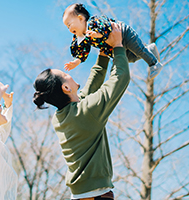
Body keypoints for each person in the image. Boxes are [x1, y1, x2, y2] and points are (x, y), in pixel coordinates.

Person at [33, 23, 128, 200]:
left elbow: (90, 87)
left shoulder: (63, 115)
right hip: (96, 195)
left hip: (83, 194)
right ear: (66, 87)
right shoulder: (85, 111)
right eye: (65, 73)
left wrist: (104, 54)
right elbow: (120, 78)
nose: (70, 74)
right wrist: (118, 47)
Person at [63, 3, 163, 80]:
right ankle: (149, 49)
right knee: (130, 58)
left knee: (138, 49)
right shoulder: (82, 38)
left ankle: (154, 64)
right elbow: (82, 51)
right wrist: (76, 61)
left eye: (69, 24)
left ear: (80, 18)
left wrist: (98, 34)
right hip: (116, 46)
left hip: (123, 33)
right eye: (67, 27)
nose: (69, 29)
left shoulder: (93, 22)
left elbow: (105, 25)